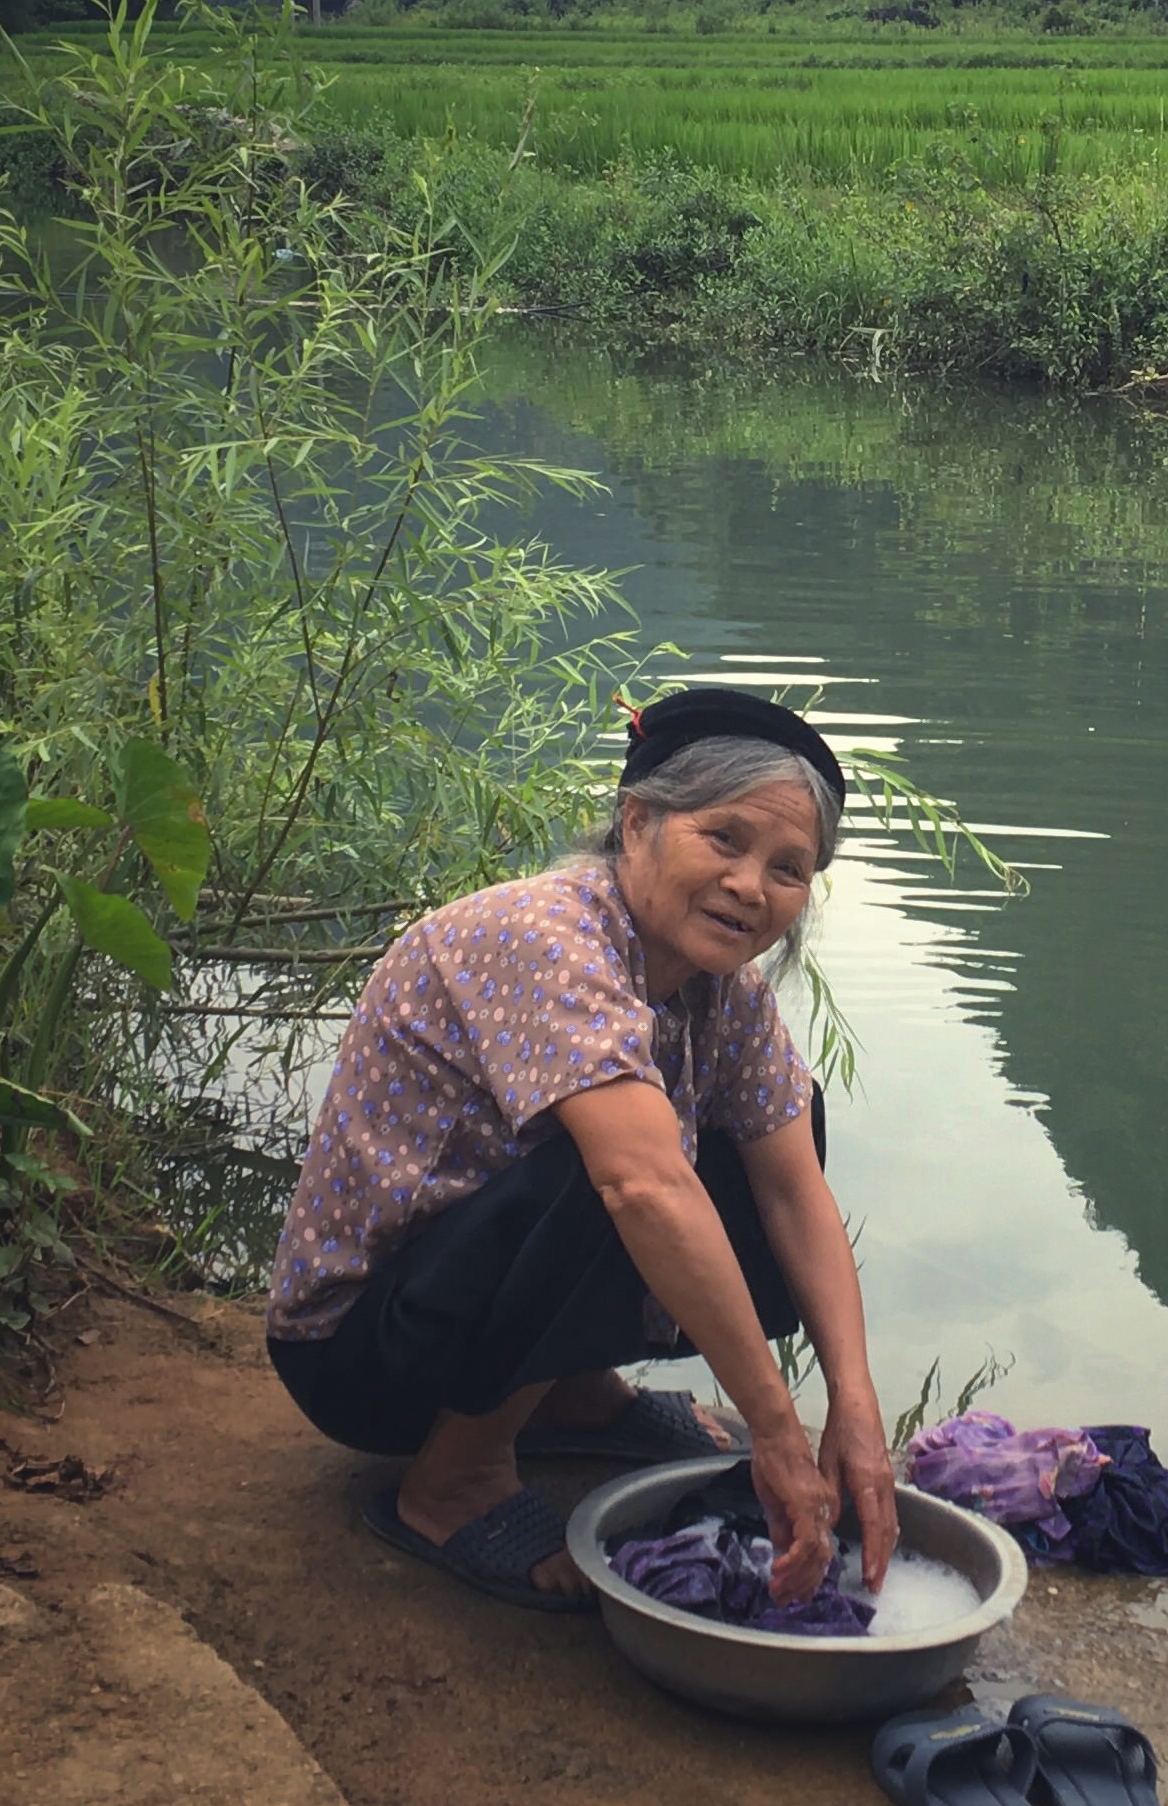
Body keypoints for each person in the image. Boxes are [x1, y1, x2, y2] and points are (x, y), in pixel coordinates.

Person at [263, 687, 901, 1610]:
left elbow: (794, 1195)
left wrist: (855, 1405)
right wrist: (776, 1431)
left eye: (789, 868)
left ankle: (571, 1397)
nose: (751, 888)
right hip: (363, 1353)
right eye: (723, 840)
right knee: (625, 1169)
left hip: (465, 1307)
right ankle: (451, 1483)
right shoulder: (547, 935)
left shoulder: (728, 993)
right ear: (636, 821)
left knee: (775, 1127)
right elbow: (639, 1183)